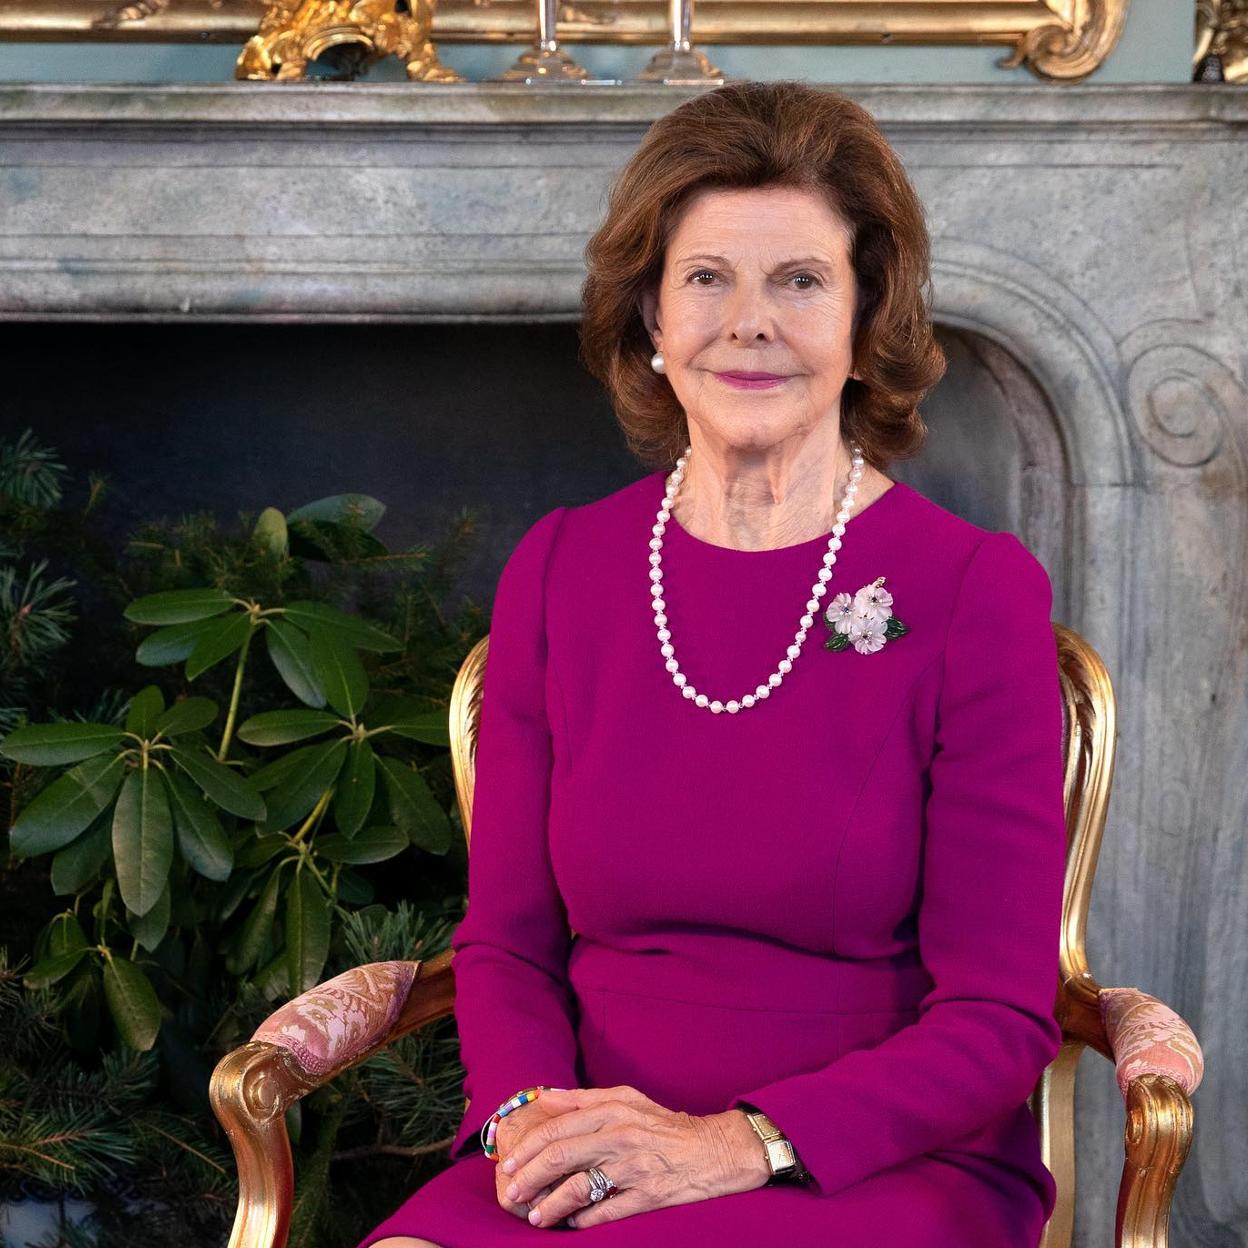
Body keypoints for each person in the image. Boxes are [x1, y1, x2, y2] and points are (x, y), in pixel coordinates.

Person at [358, 79, 1067, 1248]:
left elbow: (999, 1015)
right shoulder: (561, 570)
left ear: (866, 318)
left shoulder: (971, 591)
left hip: (868, 1165)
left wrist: (735, 1144)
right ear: (650, 311)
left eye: (800, 281)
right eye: (706, 278)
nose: (750, 323)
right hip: (586, 1150)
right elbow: (507, 945)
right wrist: (534, 1127)